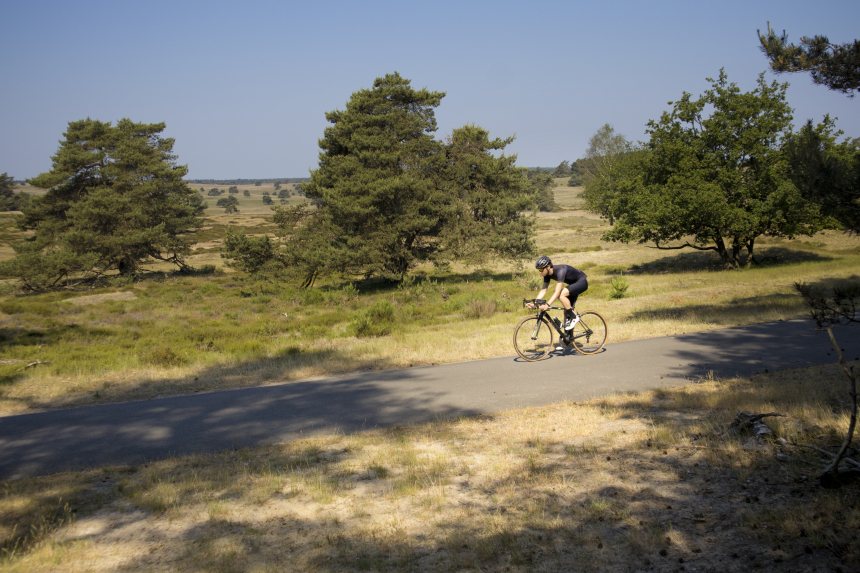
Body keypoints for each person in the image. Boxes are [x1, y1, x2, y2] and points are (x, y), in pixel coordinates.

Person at [527, 255, 588, 330]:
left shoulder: (560, 270)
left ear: (548, 267)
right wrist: (535, 303)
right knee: (567, 313)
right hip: (573, 285)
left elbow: (557, 292)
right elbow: (543, 290)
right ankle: (568, 339)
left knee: (561, 294)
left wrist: (547, 305)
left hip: (581, 282)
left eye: (541, 270)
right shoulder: (547, 274)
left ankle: (575, 317)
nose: (540, 272)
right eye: (539, 270)